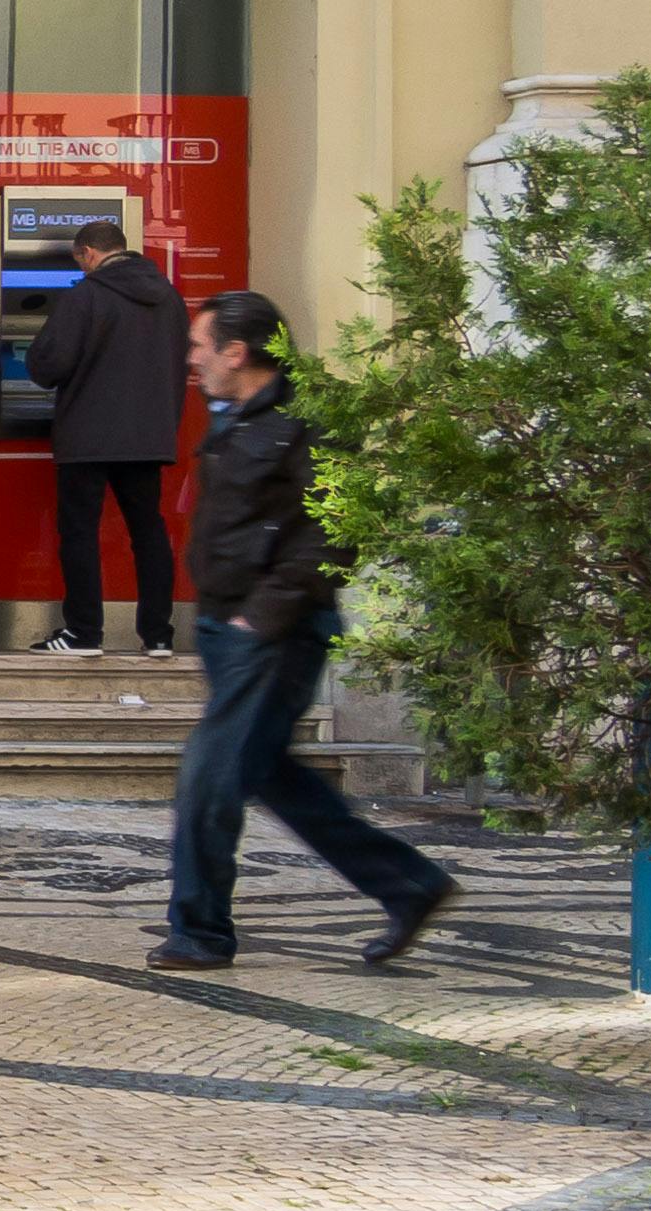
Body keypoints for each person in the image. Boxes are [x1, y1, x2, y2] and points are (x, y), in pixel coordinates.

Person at [153, 290, 453, 971]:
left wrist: (261, 616)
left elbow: (332, 534)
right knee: (268, 773)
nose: (191, 359)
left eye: (200, 346)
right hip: (227, 627)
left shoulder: (311, 422)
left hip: (274, 635)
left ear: (237, 352)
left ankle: (199, 932)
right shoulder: (233, 415)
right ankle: (409, 885)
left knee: (208, 776)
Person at [26, 216, 188, 656]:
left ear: (89, 253)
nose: (81, 268)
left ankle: (83, 633)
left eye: (80, 261)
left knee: (80, 532)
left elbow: (46, 366)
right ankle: (158, 635)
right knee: (148, 531)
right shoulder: (169, 297)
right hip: (148, 436)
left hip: (88, 436)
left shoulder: (86, 296)